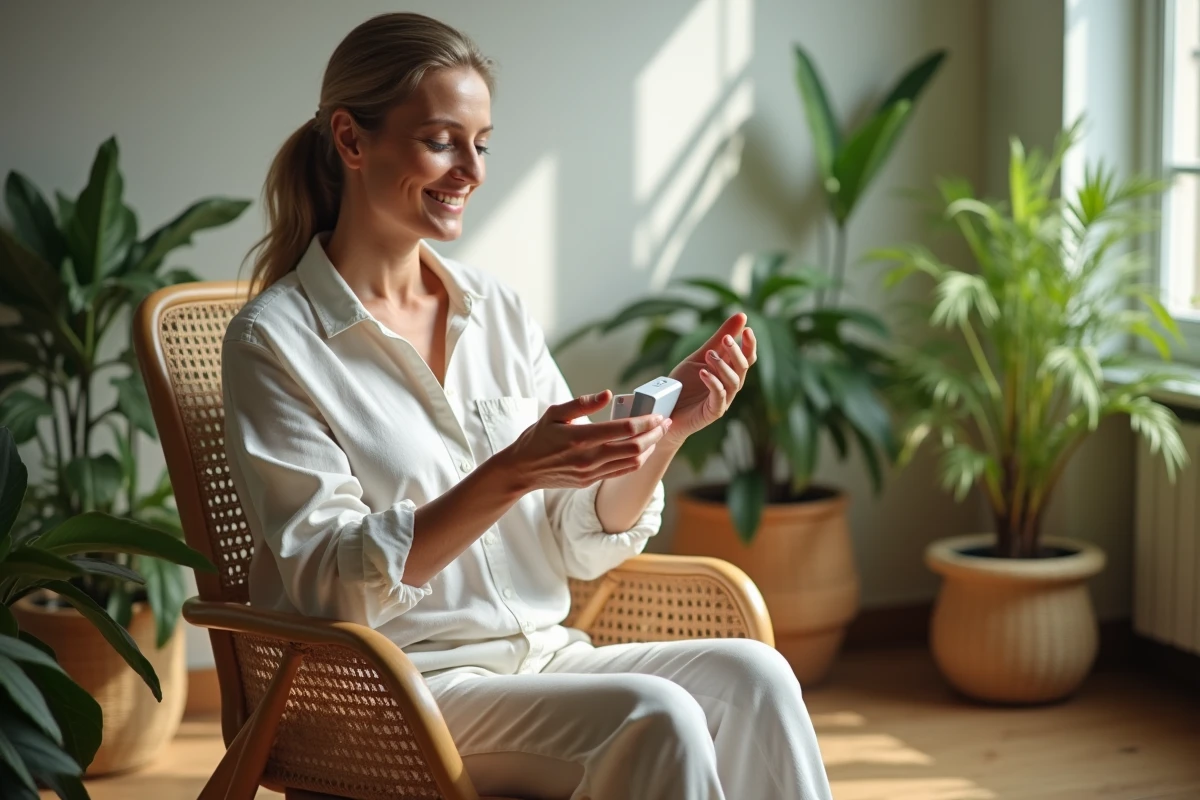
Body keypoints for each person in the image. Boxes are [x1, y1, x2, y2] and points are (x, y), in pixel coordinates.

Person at [222, 11, 833, 800]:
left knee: (754, 674)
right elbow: (328, 584)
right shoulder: (274, 343)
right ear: (351, 140)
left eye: (481, 143)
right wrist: (507, 474)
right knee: (656, 716)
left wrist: (666, 435)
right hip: (397, 689)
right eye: (443, 140)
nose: (470, 170)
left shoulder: (495, 308)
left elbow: (576, 546)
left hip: (544, 660)